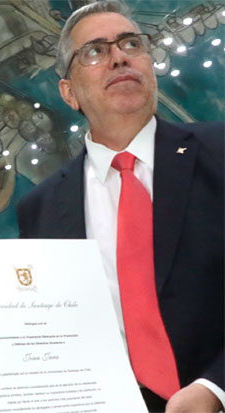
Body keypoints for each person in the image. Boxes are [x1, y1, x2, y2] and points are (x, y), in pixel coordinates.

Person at [16, 1, 223, 412]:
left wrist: (215, 389)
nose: (118, 57)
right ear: (69, 92)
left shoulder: (220, 153)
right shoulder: (39, 210)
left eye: (131, 43)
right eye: (94, 50)